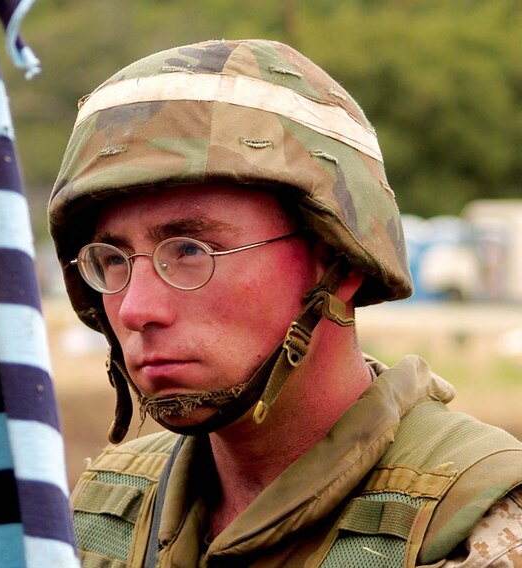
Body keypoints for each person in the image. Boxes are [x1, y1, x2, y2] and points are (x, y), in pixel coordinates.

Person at [47, 39, 522, 567]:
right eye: (113, 259)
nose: (136, 309)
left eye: (189, 250)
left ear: (339, 265)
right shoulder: (106, 506)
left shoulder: (477, 527)